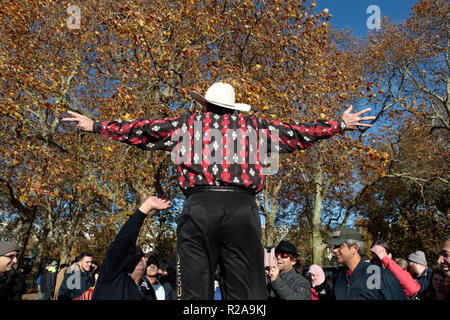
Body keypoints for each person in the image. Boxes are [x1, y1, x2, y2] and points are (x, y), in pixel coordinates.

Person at [63, 82, 375, 300]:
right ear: (233, 106)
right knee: (246, 287)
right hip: (242, 209)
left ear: (206, 103)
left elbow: (143, 130)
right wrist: (339, 124)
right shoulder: (256, 126)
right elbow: (299, 133)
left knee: (194, 287)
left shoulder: (187, 124)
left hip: (200, 206)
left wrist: (96, 125)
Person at [92, 195, 171, 300]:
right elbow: (122, 243)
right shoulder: (112, 277)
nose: (137, 257)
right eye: (132, 255)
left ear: (145, 260)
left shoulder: (147, 292)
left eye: (139, 255)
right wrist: (146, 207)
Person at [327, 228, 406, 300]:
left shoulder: (380, 275)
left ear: (355, 248)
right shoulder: (338, 276)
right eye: (334, 247)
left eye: (339, 246)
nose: (334, 250)